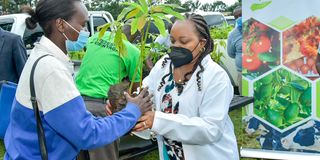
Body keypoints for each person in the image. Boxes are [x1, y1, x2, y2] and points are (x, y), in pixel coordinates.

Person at [3, 0, 152, 159]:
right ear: (61, 24)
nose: (86, 32)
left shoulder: (40, 56)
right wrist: (133, 110)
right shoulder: (52, 69)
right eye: (82, 25)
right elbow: (89, 134)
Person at [133, 13, 239, 160]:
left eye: (183, 42)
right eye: (172, 40)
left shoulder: (216, 77)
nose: (176, 46)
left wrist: (157, 120)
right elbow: (146, 91)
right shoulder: (164, 65)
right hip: (171, 154)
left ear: (202, 43)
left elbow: (211, 129)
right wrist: (129, 103)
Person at [75, 23, 142, 160]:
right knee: (104, 155)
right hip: (103, 108)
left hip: (77, 103)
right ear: (135, 39)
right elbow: (136, 89)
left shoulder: (96, 37)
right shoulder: (133, 51)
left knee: (79, 154)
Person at [227, 6, 242, 94]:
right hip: (242, 73)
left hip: (258, 70)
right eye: (236, 17)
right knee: (245, 97)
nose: (239, 18)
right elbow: (231, 53)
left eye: (241, 15)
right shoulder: (233, 34)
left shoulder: (258, 29)